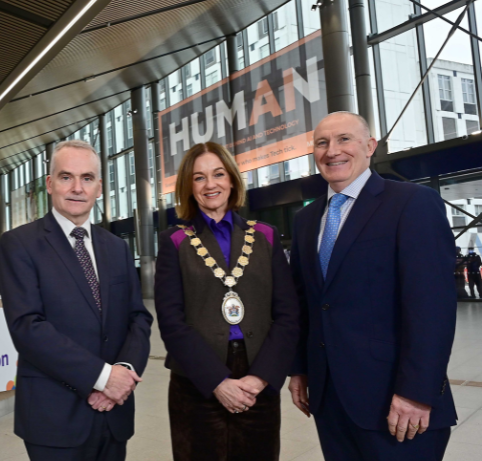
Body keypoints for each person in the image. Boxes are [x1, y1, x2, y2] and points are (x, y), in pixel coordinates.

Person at [288, 112, 457, 460]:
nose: (332, 150)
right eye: (322, 143)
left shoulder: (411, 203)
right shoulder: (306, 220)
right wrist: (300, 369)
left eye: (344, 139)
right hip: (329, 400)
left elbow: (432, 307)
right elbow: (306, 303)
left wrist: (416, 392)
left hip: (396, 402)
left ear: (370, 146)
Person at [0, 140, 153, 461]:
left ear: (99, 187)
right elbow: (27, 327)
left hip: (115, 414)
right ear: (50, 183)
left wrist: (122, 373)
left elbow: (138, 317)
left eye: (87, 178)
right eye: (67, 177)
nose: (77, 188)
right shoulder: (19, 244)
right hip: (54, 417)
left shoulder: (116, 247)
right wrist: (103, 378)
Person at [154, 142, 300, 460]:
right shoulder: (174, 242)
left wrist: (261, 378)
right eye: (199, 177)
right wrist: (217, 382)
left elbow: (288, 314)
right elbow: (171, 321)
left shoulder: (266, 236)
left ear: (232, 179)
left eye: (218, 174)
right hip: (197, 379)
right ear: (188, 187)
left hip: (257, 378)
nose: (211, 184)